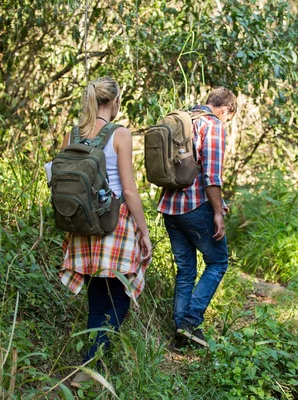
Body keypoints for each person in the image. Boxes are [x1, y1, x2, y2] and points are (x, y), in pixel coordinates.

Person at [57, 76, 152, 387]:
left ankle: (89, 362)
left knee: (99, 296)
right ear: (114, 101)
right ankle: (89, 368)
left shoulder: (73, 132)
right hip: (114, 222)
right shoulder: (120, 134)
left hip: (81, 225)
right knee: (122, 293)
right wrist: (144, 230)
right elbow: (129, 189)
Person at [158, 87, 237, 349]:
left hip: (170, 206)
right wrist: (217, 213)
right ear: (225, 110)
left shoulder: (185, 119)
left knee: (186, 270)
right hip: (195, 207)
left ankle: (181, 333)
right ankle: (190, 322)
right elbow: (212, 177)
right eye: (228, 117)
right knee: (218, 262)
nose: (226, 121)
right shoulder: (212, 126)